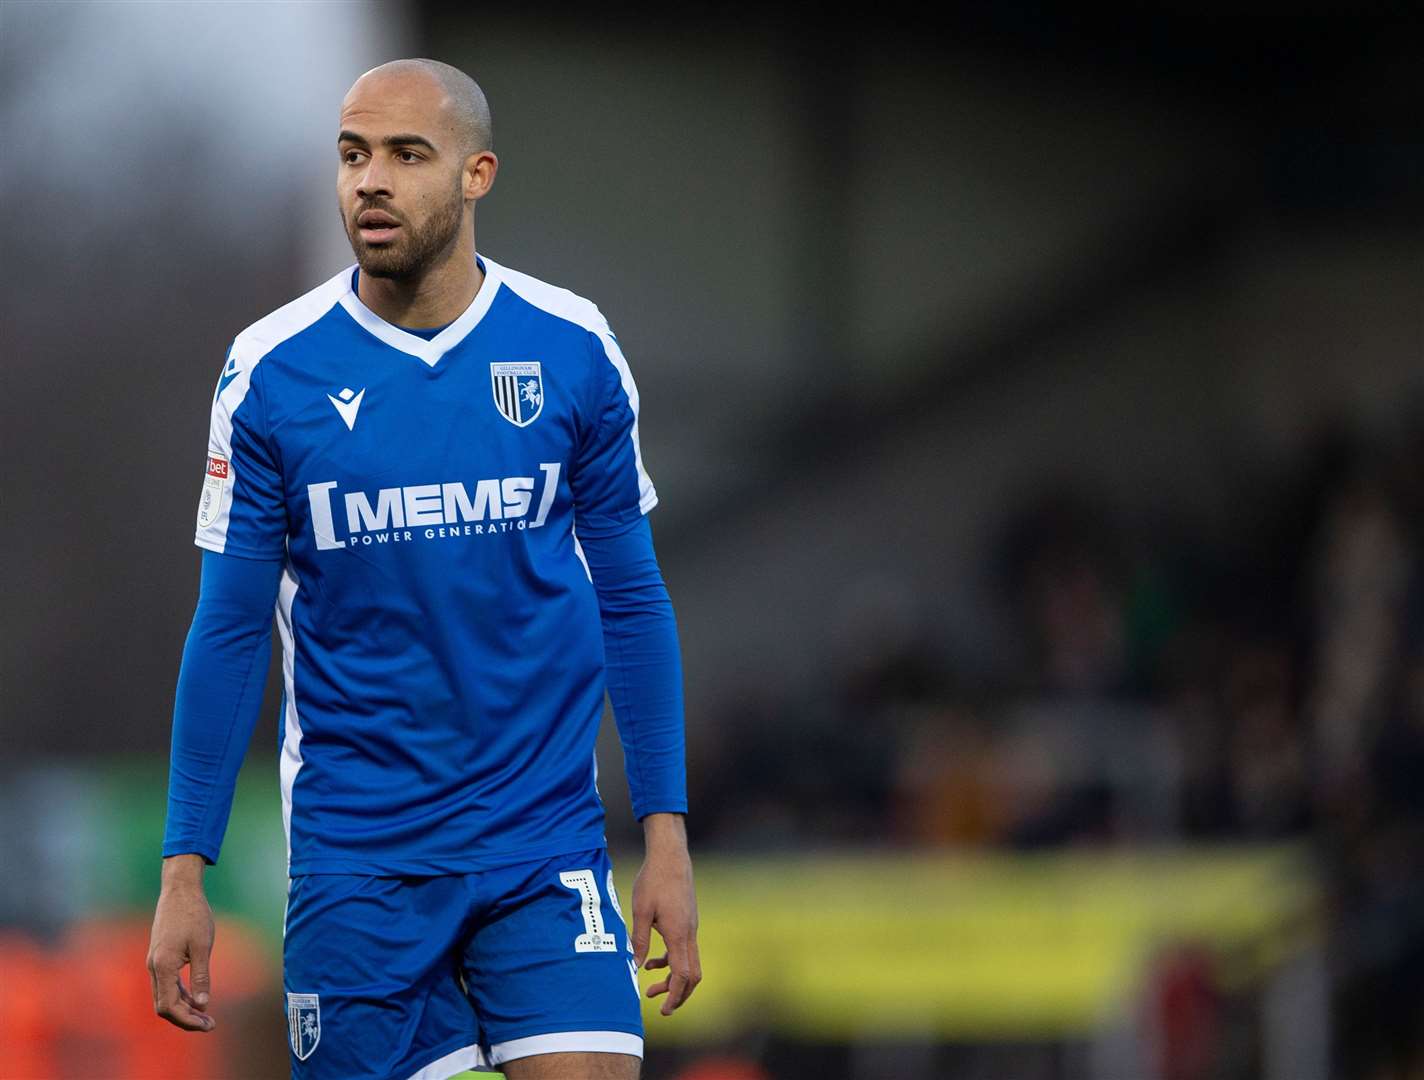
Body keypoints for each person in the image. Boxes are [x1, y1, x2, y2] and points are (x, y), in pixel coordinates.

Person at [146, 58, 700, 1080]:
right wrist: (186, 868)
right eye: (353, 155)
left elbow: (630, 597)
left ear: (476, 174)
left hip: (542, 848)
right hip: (360, 864)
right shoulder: (272, 372)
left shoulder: (570, 346)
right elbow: (226, 629)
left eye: (407, 154)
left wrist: (664, 836)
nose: (370, 181)